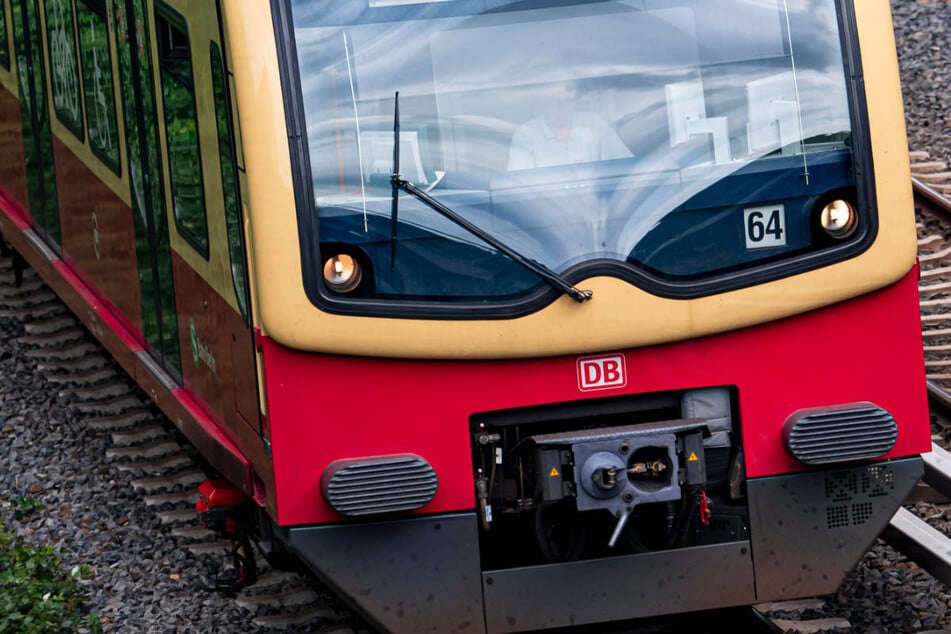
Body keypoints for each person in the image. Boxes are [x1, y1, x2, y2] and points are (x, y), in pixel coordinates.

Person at [507, 81, 632, 171]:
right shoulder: (526, 134)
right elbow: (520, 185)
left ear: (574, 101)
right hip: (546, 206)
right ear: (543, 101)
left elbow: (628, 168)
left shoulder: (595, 124)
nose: (561, 107)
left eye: (566, 101)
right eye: (555, 101)